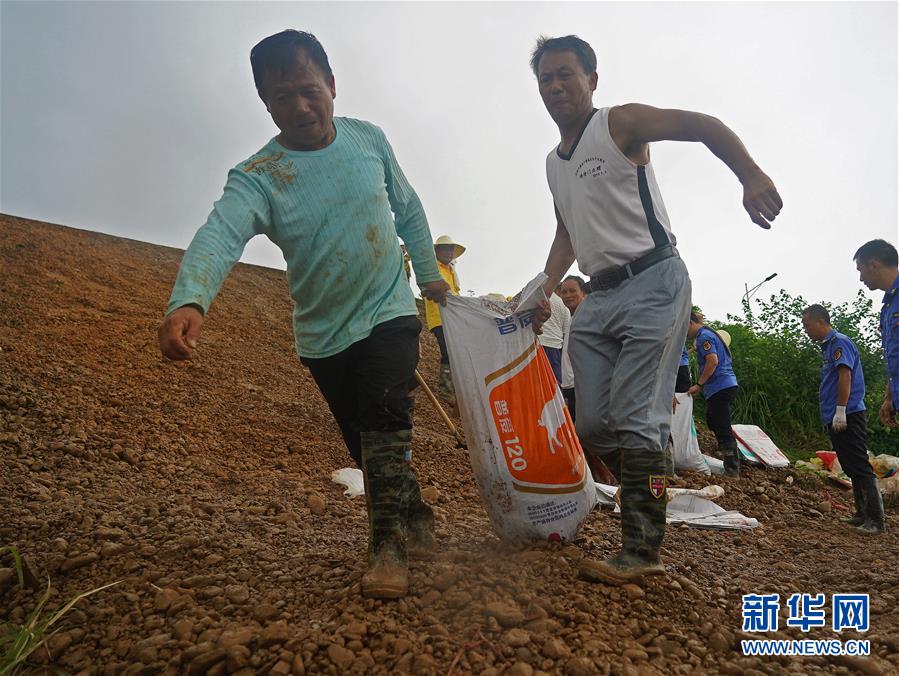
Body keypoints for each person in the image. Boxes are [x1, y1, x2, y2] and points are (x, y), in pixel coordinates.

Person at [156, 30, 450, 599]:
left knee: (385, 415)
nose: (300, 107)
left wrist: (429, 275)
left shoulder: (368, 139)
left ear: (332, 85)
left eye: (310, 90)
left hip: (389, 308)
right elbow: (220, 234)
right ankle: (414, 512)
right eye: (283, 96)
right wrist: (189, 299)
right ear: (265, 103)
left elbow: (408, 207)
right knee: (363, 441)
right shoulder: (259, 175)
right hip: (323, 333)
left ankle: (387, 548)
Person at [532, 34, 782, 583]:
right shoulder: (553, 164)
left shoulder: (619, 123)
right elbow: (566, 233)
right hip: (599, 297)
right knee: (592, 424)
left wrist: (749, 174)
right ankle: (649, 477)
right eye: (545, 78)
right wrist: (543, 289)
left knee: (636, 417)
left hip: (653, 279)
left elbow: (703, 125)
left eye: (566, 73)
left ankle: (642, 549)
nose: (555, 85)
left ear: (591, 79)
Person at [801, 305, 883, 534]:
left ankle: (876, 519)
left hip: (848, 413)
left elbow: (845, 376)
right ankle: (861, 513)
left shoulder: (839, 342)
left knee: (859, 464)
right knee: (849, 464)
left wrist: (841, 409)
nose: (805, 330)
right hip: (836, 414)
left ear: (820, 322)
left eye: (807, 325)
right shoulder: (828, 346)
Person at [687, 312, 741, 476]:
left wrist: (699, 384)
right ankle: (725, 451)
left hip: (720, 386)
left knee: (722, 426)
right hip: (725, 385)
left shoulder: (704, 337)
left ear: (690, 323)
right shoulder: (707, 334)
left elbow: (712, 361)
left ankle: (732, 468)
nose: (685, 334)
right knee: (713, 419)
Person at [854, 239, 899, 430]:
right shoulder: (887, 308)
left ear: (873, 265)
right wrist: (890, 397)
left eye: (860, 270)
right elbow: (894, 356)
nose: (860, 278)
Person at [424, 235, 464, 399]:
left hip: (453, 317)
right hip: (439, 316)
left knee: (455, 351)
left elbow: (455, 293)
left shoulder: (452, 271)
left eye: (450, 249)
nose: (449, 252)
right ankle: (445, 388)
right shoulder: (432, 268)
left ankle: (453, 386)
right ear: (437, 251)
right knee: (448, 350)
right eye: (445, 249)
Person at [559, 275, 587, 418]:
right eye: (564, 292)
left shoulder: (587, 316)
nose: (567, 295)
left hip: (581, 384)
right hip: (570, 383)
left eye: (572, 291)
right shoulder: (572, 317)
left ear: (584, 293)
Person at [538, 290, 571, 385]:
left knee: (538, 382)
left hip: (537, 343)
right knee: (555, 383)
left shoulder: (535, 296)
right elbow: (566, 331)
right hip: (555, 347)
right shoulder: (562, 304)